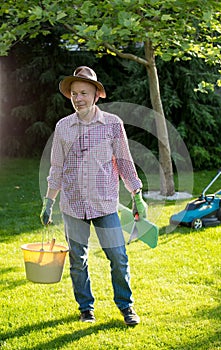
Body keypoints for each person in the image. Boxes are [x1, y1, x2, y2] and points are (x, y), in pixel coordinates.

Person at [40, 66, 147, 326]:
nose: (78, 99)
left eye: (84, 93)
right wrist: (49, 201)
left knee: (118, 258)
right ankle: (86, 308)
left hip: (105, 204)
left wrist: (137, 195)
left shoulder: (112, 124)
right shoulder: (63, 127)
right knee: (78, 261)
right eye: (75, 94)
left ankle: (126, 306)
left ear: (96, 95)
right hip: (73, 205)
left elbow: (124, 162)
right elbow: (57, 167)